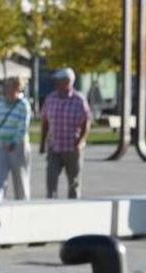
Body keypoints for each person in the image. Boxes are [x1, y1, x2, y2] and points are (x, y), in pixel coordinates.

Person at [40, 68, 92, 199]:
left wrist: (81, 141)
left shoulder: (79, 100)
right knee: (51, 179)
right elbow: (45, 122)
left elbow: (86, 122)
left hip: (72, 147)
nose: (56, 84)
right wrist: (42, 143)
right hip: (55, 147)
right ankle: (51, 205)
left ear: (68, 82)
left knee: (74, 182)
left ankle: (73, 207)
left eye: (59, 81)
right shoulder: (51, 98)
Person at [0, 76, 32, 202]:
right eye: (6, 87)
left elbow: (23, 127)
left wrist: (14, 142)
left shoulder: (23, 105)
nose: (7, 90)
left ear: (18, 88)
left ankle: (22, 200)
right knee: (0, 176)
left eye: (11, 87)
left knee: (20, 176)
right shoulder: (1, 104)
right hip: (1, 143)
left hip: (17, 145)